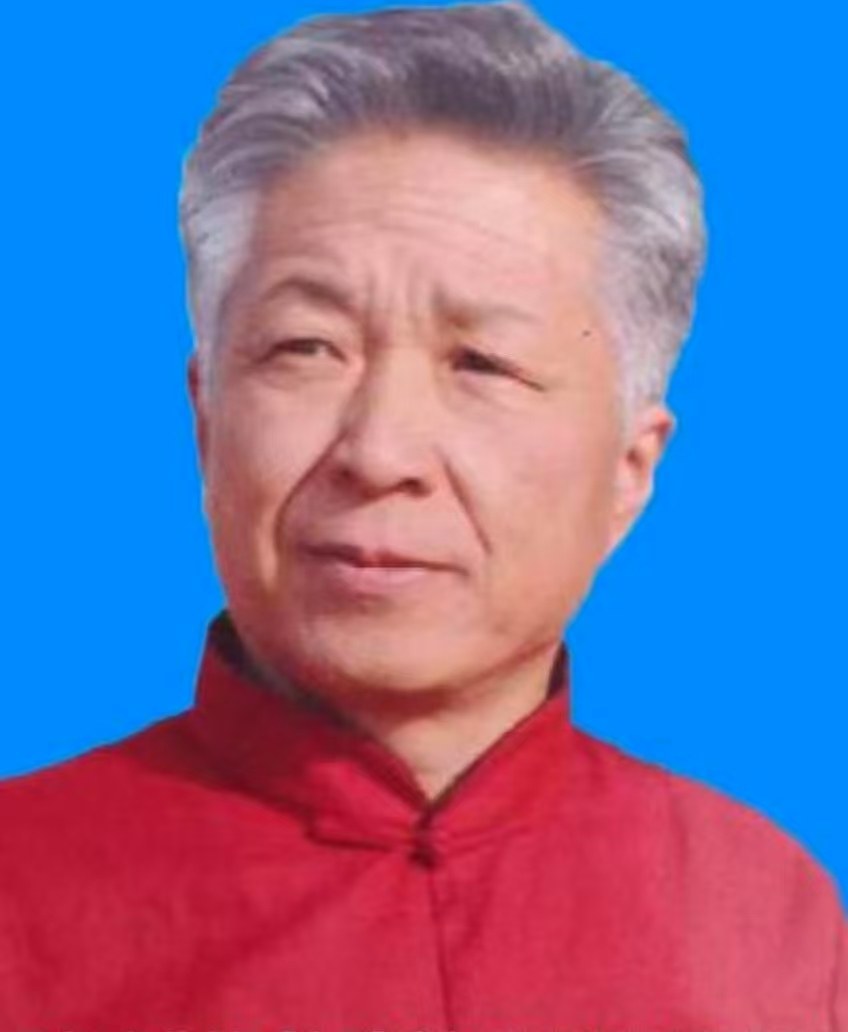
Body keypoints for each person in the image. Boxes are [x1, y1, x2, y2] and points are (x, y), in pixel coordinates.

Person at [1, 1, 845, 1028]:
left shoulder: (766, 918)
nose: (380, 451)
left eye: (481, 362)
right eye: (306, 348)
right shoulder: (20, 893)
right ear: (206, 421)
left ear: (630, 470)